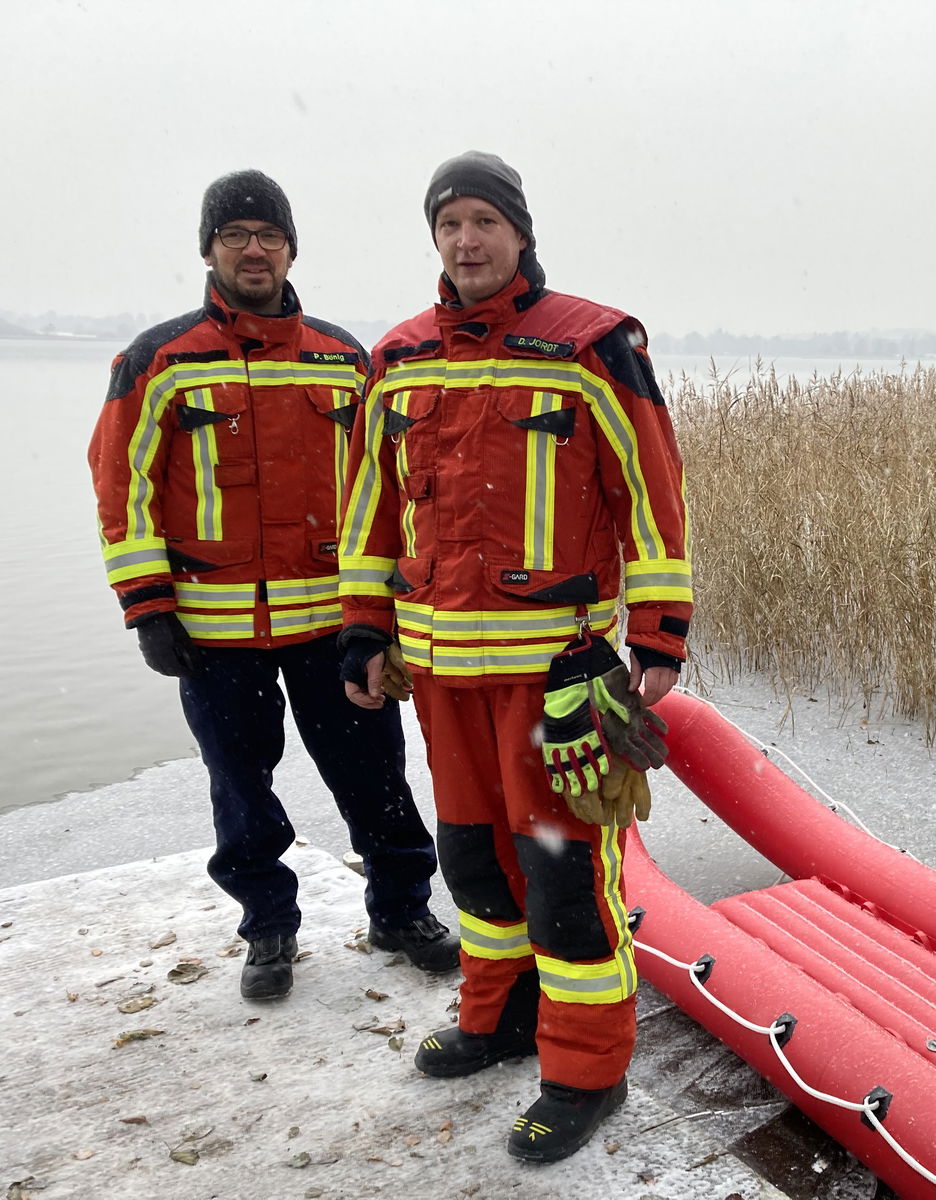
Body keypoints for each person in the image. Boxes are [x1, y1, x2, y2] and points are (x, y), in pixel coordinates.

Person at [337, 151, 691, 1163]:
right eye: (449, 224)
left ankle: (586, 1072)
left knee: (564, 882)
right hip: (440, 679)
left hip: (555, 681)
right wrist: (363, 626)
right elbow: (369, 506)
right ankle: (497, 1018)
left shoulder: (592, 345)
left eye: (484, 221)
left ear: (520, 233)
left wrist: (658, 632)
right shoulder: (398, 356)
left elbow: (650, 494)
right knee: (472, 865)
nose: (467, 241)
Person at [87, 169, 460, 1001]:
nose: (253, 250)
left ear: (291, 250)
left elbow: (386, 489)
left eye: (269, 236)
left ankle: (402, 911)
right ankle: (268, 928)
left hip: (337, 627)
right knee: (241, 794)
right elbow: (121, 485)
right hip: (214, 633)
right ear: (209, 250)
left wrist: (389, 608)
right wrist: (147, 608)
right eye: (235, 236)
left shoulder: (343, 359)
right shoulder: (158, 360)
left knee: (377, 780)